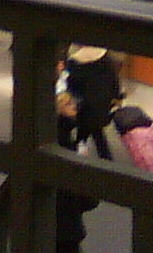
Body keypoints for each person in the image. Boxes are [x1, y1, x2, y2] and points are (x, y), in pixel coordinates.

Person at [54, 91, 95, 253]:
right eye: (68, 105)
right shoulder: (65, 144)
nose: (74, 108)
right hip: (66, 226)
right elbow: (82, 196)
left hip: (53, 222)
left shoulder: (56, 136)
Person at [64, 44, 121, 159]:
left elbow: (71, 87)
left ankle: (76, 150)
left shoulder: (74, 62)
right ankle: (105, 159)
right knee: (96, 132)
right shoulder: (105, 58)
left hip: (84, 107)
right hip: (103, 105)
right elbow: (114, 82)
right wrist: (116, 97)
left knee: (79, 130)